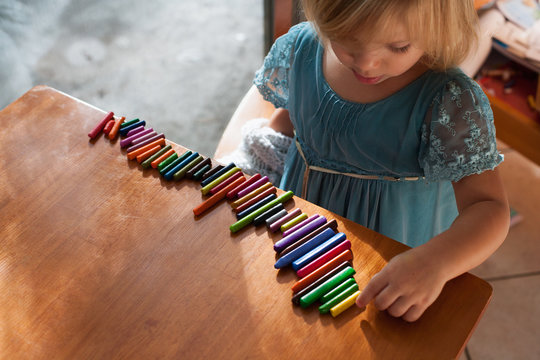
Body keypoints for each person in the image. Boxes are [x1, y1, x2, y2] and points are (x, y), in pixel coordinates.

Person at [217, 0, 509, 322]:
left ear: (435, 28)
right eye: (347, 41)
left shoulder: (449, 101)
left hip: (393, 264)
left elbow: (489, 207)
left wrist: (435, 263)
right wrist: (255, 162)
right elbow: (295, 118)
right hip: (302, 234)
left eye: (398, 46)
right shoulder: (303, 48)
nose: (367, 64)